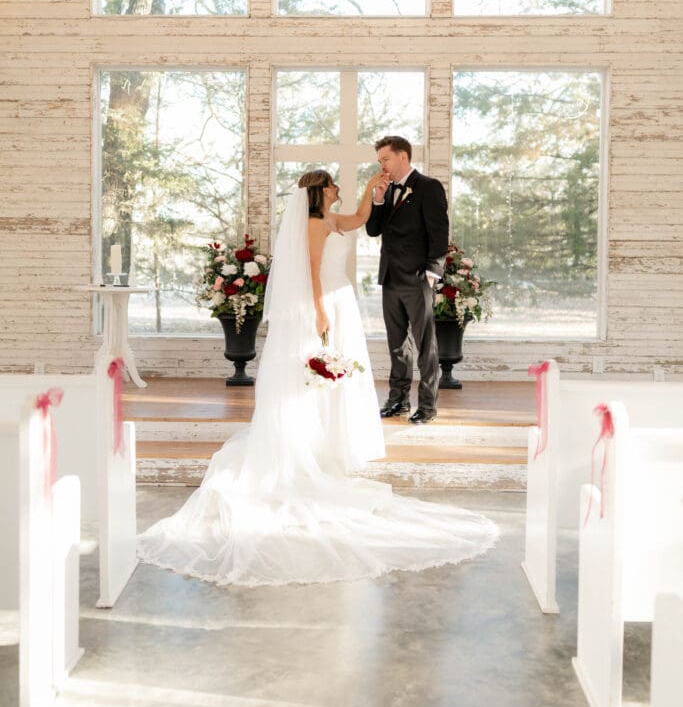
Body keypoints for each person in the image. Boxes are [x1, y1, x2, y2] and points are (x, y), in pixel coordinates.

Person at [137, 169, 497, 587]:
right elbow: (309, 270)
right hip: (321, 302)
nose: (338, 188)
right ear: (321, 190)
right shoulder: (312, 223)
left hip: (340, 300)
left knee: (332, 380)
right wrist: (320, 310)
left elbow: (362, 218)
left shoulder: (333, 217)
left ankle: (325, 444)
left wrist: (370, 190)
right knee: (313, 376)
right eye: (334, 185)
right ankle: (304, 447)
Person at [366, 136, 448, 424]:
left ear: (403, 157)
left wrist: (432, 271)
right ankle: (398, 400)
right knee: (397, 344)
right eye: (379, 161)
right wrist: (377, 199)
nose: (382, 165)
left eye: (385, 159)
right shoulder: (385, 191)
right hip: (390, 277)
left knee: (426, 345)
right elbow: (373, 231)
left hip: (417, 278)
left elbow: (439, 233)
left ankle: (427, 406)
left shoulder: (429, 187)